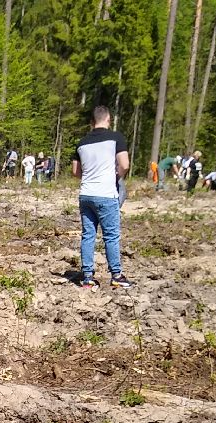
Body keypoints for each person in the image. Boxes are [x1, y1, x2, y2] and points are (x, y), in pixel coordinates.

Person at [72, 105, 132, 290]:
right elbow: (124, 164)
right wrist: (115, 177)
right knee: (111, 236)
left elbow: (75, 171)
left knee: (88, 235)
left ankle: (88, 277)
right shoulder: (116, 138)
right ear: (108, 119)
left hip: (86, 193)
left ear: (91, 122)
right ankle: (116, 275)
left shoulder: (81, 143)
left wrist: (91, 176)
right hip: (106, 193)